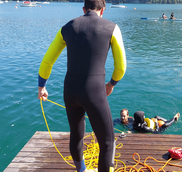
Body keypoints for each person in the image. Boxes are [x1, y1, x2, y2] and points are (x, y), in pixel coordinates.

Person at [37, 0, 127, 171]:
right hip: (94, 91)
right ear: (103, 10)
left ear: (84, 9)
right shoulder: (112, 28)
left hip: (70, 91)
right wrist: (112, 84)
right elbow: (121, 67)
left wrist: (42, 86)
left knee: (77, 136)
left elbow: (47, 61)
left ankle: (82, 170)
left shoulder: (67, 27)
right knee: (108, 142)